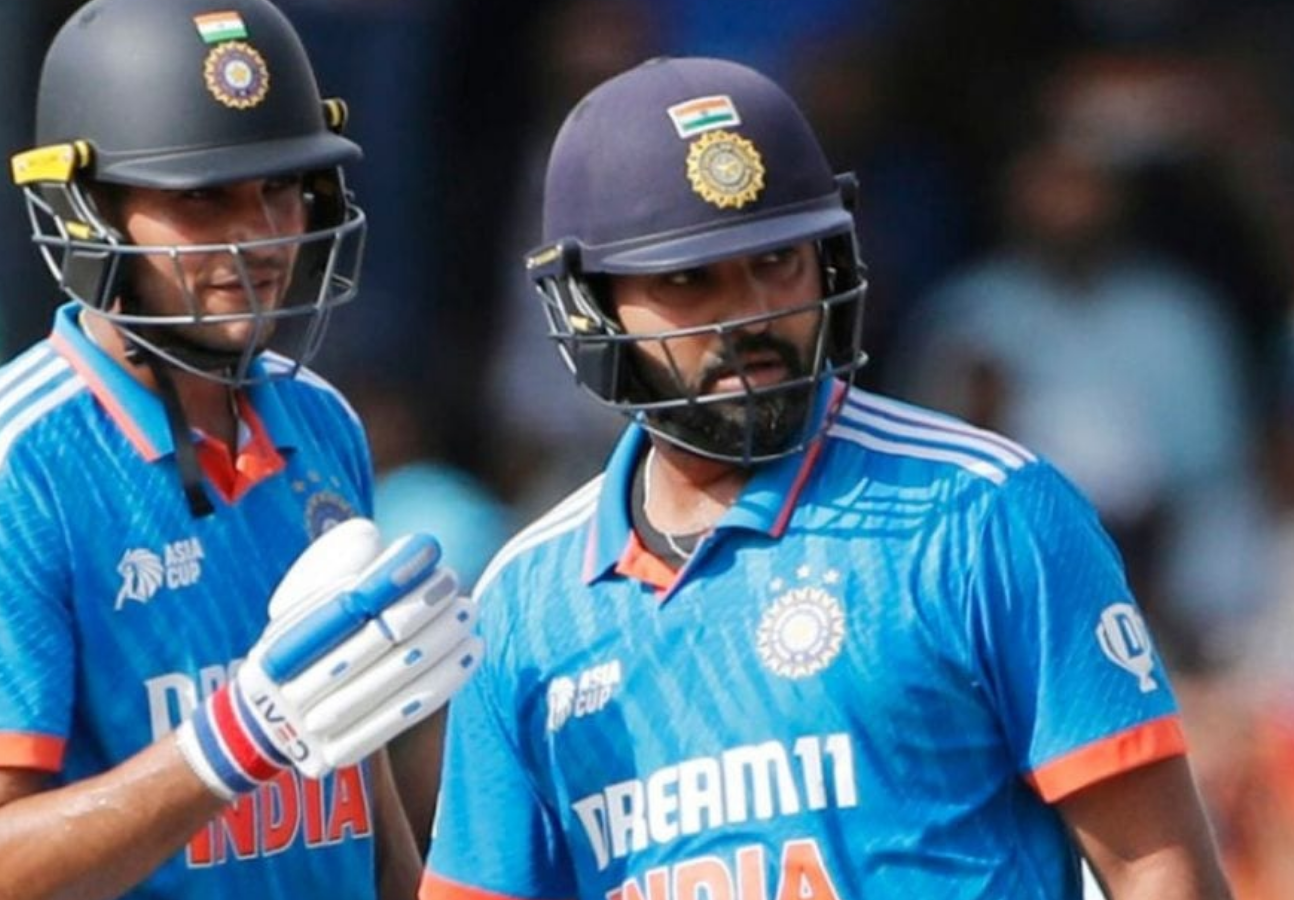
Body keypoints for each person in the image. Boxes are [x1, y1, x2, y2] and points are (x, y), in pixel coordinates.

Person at [420, 57, 1234, 900]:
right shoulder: (524, 605)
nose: (750, 315)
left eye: (777, 261)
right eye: (689, 279)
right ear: (590, 306)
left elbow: (1158, 870)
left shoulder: (985, 512)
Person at [0, 1, 480, 898]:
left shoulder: (322, 421)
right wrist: (239, 737)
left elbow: (360, 788)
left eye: (281, 187)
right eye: (202, 199)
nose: (261, 234)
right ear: (87, 214)